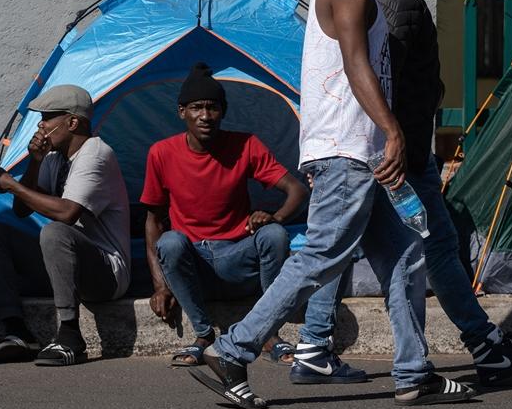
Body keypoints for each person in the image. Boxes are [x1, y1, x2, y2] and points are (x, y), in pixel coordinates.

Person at [186, 0, 477, 409]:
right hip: (348, 151)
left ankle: (413, 373)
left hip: (368, 155)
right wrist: (393, 131)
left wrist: (385, 139)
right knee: (321, 256)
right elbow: (355, 63)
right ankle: (234, 348)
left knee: (407, 257)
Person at [370, 0, 512, 384]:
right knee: (424, 252)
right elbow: (389, 84)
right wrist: (401, 144)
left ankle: (313, 348)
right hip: (403, 154)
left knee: (368, 251)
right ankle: (470, 353)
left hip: (401, 150)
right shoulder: (396, 5)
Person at [142, 63, 364, 383]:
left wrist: (274, 217)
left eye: (213, 108)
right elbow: (152, 220)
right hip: (197, 266)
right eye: (196, 108)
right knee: (170, 242)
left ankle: (268, 335)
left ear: (223, 112)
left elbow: (297, 189)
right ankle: (203, 335)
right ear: (181, 113)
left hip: (237, 259)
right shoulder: (161, 154)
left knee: (274, 234)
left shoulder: (244, 145)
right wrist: (160, 285)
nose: (205, 115)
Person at [0, 84, 131, 366]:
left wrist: (10, 183)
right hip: (66, 267)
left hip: (106, 274)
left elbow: (68, 213)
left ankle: (71, 336)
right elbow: (22, 210)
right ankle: (17, 330)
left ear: (72, 122)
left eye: (48, 117)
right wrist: (35, 164)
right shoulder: (55, 158)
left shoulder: (95, 153)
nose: (41, 125)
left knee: (54, 232)